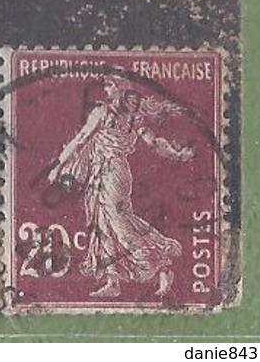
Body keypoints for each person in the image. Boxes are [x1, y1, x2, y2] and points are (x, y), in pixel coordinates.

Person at [46, 76, 194, 299]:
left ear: (120, 89)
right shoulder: (124, 116)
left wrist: (57, 167)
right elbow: (152, 141)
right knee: (102, 223)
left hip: (112, 173)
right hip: (105, 172)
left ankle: (161, 266)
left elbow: (81, 140)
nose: (105, 89)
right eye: (106, 85)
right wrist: (175, 153)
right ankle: (112, 280)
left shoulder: (112, 114)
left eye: (110, 85)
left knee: (119, 223)